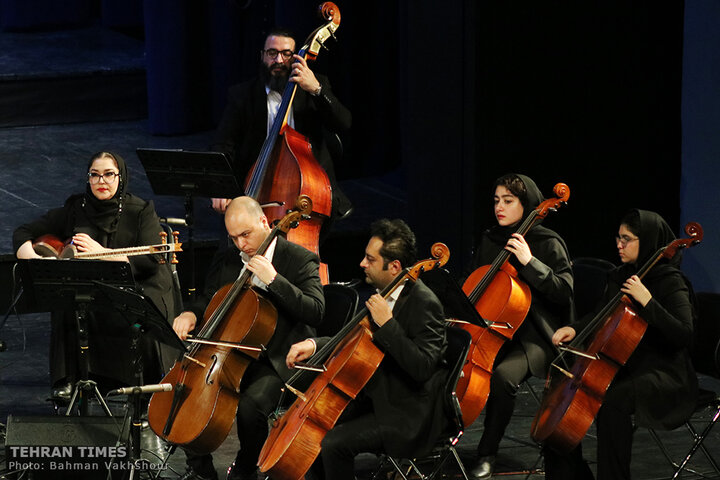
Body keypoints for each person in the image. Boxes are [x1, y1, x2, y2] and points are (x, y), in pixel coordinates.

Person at [172, 196, 325, 480]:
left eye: (246, 235)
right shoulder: (227, 259)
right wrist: (191, 314)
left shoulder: (298, 258)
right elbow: (208, 299)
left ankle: (246, 465)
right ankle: (200, 467)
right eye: (234, 238)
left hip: (277, 358)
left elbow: (316, 311)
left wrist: (274, 280)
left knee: (250, 407)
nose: (241, 245)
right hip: (232, 352)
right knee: (185, 392)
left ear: (263, 222)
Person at [286, 218, 448, 479]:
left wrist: (388, 325)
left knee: (333, 444)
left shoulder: (425, 303)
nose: (362, 264)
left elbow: (423, 367)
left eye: (370, 260)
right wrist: (313, 344)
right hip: (375, 397)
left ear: (394, 266)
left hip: (406, 412)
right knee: (312, 433)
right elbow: (352, 338)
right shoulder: (383, 292)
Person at [548, 209, 698, 480]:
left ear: (648, 241)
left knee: (613, 400)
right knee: (568, 387)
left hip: (663, 370)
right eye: (618, 237)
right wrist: (574, 328)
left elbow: (684, 335)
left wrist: (647, 301)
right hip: (624, 361)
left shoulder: (670, 282)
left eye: (627, 239)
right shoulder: (620, 275)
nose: (619, 244)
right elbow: (601, 314)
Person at [13, 151, 176, 397]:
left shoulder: (140, 211)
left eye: (109, 175)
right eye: (95, 175)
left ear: (120, 177)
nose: (102, 181)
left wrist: (102, 252)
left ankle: (147, 386)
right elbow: (23, 232)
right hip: (93, 286)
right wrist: (35, 260)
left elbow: (151, 262)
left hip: (133, 285)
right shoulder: (76, 208)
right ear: (88, 179)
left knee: (142, 308)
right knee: (64, 301)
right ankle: (67, 379)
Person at [465, 174, 574, 479]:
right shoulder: (491, 239)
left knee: (502, 377)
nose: (499, 207)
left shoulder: (547, 242)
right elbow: (473, 284)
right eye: (496, 200)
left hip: (534, 336)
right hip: (492, 329)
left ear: (526, 205)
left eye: (508, 201)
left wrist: (529, 262)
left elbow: (563, 291)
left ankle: (486, 452)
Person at [210, 27, 352, 221]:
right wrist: (221, 186)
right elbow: (223, 144)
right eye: (272, 53)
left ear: (296, 57)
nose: (278, 61)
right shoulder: (242, 95)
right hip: (258, 188)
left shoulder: (313, 85)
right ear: (262, 56)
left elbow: (344, 123)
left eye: (286, 54)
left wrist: (317, 90)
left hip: (310, 191)